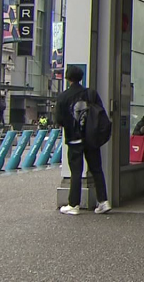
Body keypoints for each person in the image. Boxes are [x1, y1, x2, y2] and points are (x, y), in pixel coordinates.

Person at [55, 65, 110, 215]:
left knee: (76, 172)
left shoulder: (63, 97)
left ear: (67, 78)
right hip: (91, 138)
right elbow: (100, 113)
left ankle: (74, 205)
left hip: (74, 139)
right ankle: (103, 201)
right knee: (97, 169)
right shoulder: (91, 94)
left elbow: (59, 120)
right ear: (81, 77)